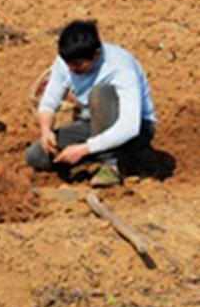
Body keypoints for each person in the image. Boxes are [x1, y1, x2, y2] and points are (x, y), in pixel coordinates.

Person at [25, 20, 156, 187]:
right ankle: (100, 157)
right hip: (91, 123)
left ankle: (110, 165)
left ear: (97, 54)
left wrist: (83, 149)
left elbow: (129, 127)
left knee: (100, 94)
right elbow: (49, 101)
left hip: (137, 129)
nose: (72, 69)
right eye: (69, 64)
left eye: (79, 65)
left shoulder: (120, 67)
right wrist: (46, 130)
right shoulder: (66, 61)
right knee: (36, 156)